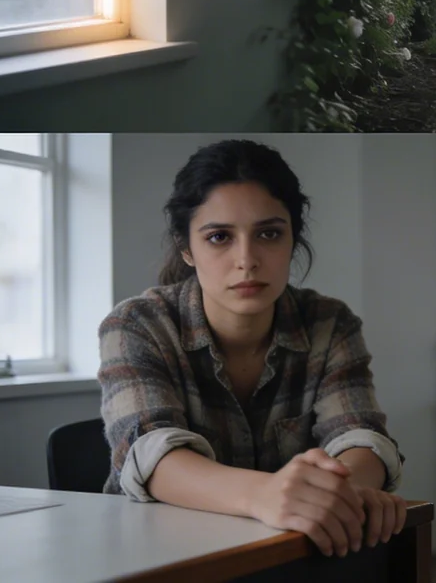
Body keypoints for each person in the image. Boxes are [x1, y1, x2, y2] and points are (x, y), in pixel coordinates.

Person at [98, 140, 407, 558]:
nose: (246, 259)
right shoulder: (137, 324)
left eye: (269, 234)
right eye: (219, 237)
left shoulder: (329, 322)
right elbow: (151, 456)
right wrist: (266, 494)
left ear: (293, 239)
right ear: (186, 248)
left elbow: (360, 436)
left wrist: (339, 491)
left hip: (286, 553)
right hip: (157, 555)